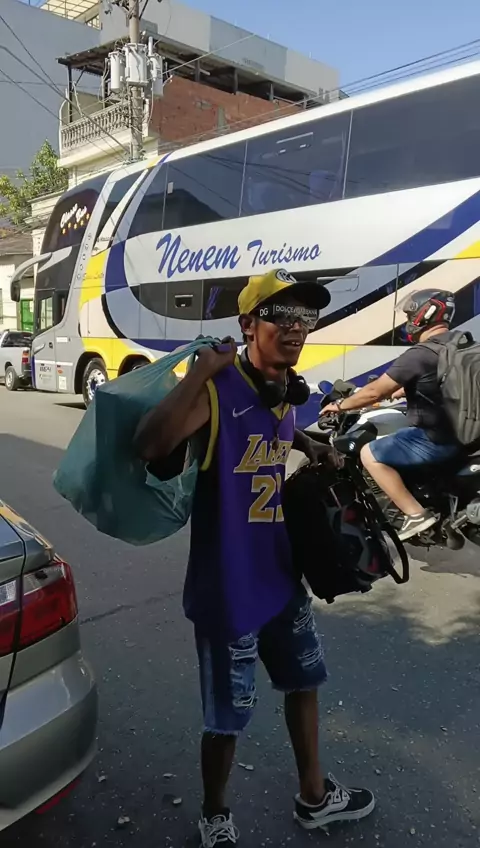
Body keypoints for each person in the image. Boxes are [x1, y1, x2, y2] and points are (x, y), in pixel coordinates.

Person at [135, 269, 375, 846]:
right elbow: (151, 444)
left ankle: (314, 796)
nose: (297, 328)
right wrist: (202, 373)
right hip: (229, 587)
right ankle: (215, 813)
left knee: (304, 681)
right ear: (247, 324)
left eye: (306, 317)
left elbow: (272, 434)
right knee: (227, 716)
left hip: (280, 575)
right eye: (281, 315)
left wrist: (309, 443)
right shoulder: (218, 390)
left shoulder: (283, 390)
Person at [320, 289, 460, 541]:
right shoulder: (462, 346)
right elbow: (443, 384)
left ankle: (416, 514)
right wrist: (402, 392)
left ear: (423, 315)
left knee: (370, 453)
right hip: (469, 434)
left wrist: (340, 405)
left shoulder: (421, 353)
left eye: (410, 314)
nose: (408, 320)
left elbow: (375, 391)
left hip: (439, 439)